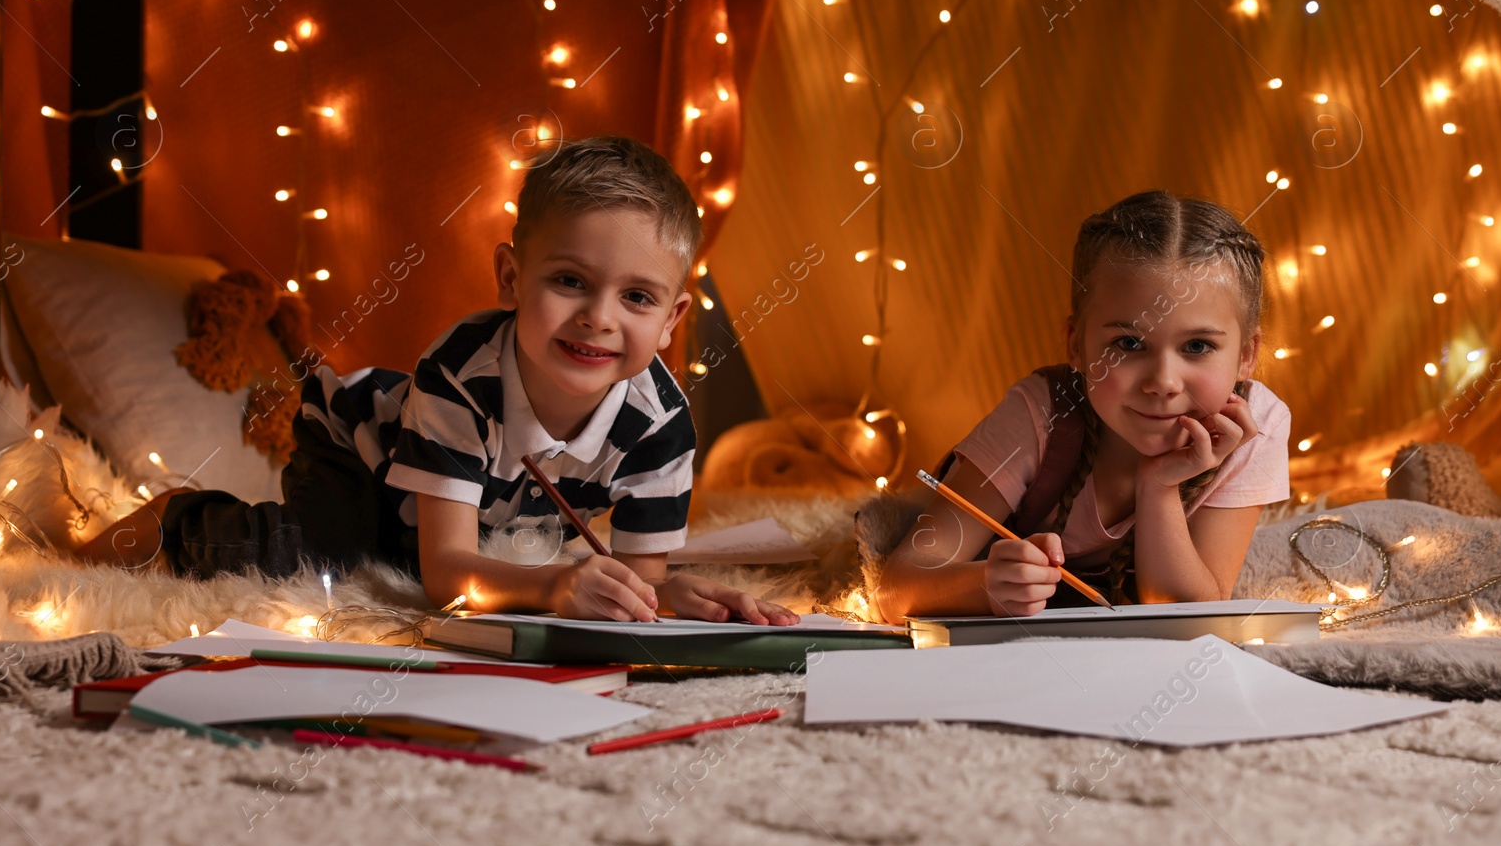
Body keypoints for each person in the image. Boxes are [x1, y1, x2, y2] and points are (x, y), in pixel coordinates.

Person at [74, 136, 796, 626]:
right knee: (314, 562)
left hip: (485, 504)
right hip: (366, 454)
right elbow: (450, 573)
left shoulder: (662, 427)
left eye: (636, 298)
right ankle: (177, 517)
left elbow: (638, 576)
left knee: (465, 552)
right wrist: (551, 586)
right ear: (511, 277)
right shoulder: (461, 374)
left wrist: (670, 594)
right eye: (570, 280)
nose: (599, 319)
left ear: (671, 318)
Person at [874, 190, 1291, 624]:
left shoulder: (1256, 424)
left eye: (1198, 346)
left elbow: (1189, 613)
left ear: (1247, 354)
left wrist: (1160, 487)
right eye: (1129, 343)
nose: (1163, 383)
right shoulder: (1040, 415)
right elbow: (895, 588)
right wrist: (985, 584)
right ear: (1077, 345)